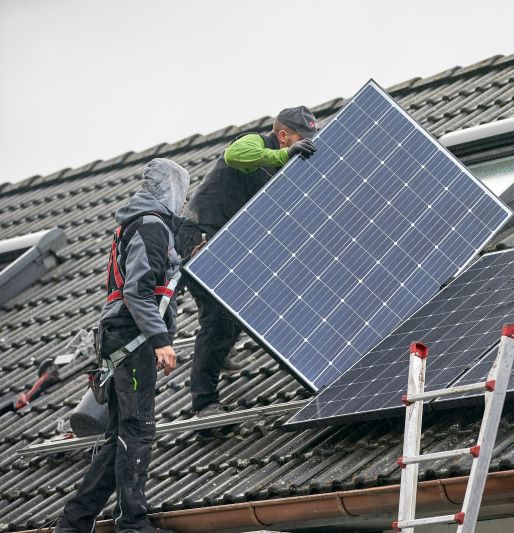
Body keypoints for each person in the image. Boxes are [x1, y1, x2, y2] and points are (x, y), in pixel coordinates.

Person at [55, 158, 189, 533]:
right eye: (182, 190)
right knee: (138, 428)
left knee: (119, 435)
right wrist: (160, 340)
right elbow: (137, 291)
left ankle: (74, 522)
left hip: (119, 337)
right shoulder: (150, 224)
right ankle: (132, 522)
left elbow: (150, 285)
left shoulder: (137, 224)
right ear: (169, 189)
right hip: (132, 338)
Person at [177, 106, 318, 424]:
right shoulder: (255, 143)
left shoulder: (281, 168)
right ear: (283, 135)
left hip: (232, 244)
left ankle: (225, 350)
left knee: (248, 308)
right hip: (202, 233)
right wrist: (283, 156)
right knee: (217, 317)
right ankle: (204, 405)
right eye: (299, 139)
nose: (302, 146)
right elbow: (235, 155)